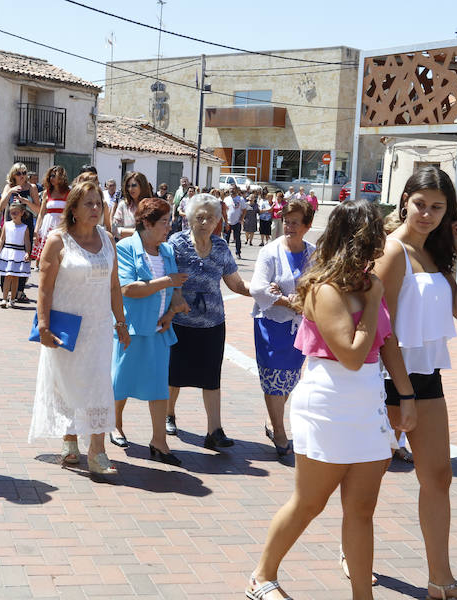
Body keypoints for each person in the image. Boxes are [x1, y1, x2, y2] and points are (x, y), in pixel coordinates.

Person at [246, 200, 407, 600]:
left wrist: (407, 395)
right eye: (376, 236)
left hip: (368, 406)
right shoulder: (325, 289)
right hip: (327, 405)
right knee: (309, 503)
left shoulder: (368, 283)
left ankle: (361, 596)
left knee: (361, 510)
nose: (382, 245)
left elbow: (387, 345)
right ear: (358, 239)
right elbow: (352, 355)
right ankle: (262, 575)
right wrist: (372, 302)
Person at [371, 168, 457, 600]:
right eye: (421, 204)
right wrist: (402, 394)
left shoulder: (436, 253)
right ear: (404, 200)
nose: (428, 214)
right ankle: (353, 552)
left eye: (438, 207)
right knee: (370, 477)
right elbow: (382, 330)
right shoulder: (391, 250)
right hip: (386, 379)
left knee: (438, 476)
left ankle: (441, 578)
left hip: (426, 377)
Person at [30, 180, 129, 475]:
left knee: (98, 385)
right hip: (67, 328)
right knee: (67, 384)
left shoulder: (108, 239)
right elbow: (44, 289)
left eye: (99, 203)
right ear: (73, 208)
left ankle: (97, 452)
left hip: (98, 328)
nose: (96, 209)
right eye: (88, 203)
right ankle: (69, 438)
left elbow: (114, 287)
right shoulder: (57, 240)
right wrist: (44, 325)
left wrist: (121, 322)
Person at [165, 193, 250, 449]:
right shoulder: (176, 243)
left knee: (212, 378)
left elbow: (235, 283)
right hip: (180, 322)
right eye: (199, 217)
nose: (204, 222)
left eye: (210, 218)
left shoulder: (221, 247)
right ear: (189, 218)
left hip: (213, 324)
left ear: (217, 221)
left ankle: (215, 431)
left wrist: (262, 291)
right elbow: (166, 279)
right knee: (174, 376)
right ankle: (169, 414)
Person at [111, 198, 188, 466]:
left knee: (158, 388)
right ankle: (116, 425)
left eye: (169, 221)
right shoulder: (125, 247)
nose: (169, 227)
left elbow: (176, 290)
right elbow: (128, 288)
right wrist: (166, 281)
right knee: (120, 382)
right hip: (131, 328)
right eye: (165, 222)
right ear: (146, 222)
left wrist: (170, 313)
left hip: (159, 330)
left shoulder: (166, 251)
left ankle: (159, 441)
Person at [249, 200, 315, 457]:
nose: (289, 226)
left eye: (295, 222)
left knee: (289, 379)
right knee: (273, 379)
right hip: (271, 323)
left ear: (307, 226)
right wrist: (285, 299)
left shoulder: (314, 252)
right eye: (286, 221)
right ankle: (278, 429)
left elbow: (318, 283)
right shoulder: (270, 251)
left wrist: (301, 299)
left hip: (299, 326)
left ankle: (272, 420)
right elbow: (258, 287)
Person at [0, 163, 40, 302]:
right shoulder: (9, 187)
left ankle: (19, 290)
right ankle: (5, 291)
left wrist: (27, 202)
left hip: (26, 226)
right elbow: (1, 206)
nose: (22, 176)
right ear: (13, 175)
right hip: (11, 226)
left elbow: (38, 210)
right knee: (8, 256)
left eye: (24, 173)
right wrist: (10, 192)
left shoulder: (32, 187)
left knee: (24, 257)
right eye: (18, 173)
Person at [0, 200, 31, 308]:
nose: (13, 215)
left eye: (16, 212)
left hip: (19, 253)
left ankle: (13, 299)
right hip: (8, 252)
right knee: (7, 276)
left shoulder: (25, 227)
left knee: (15, 277)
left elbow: (27, 242)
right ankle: (4, 299)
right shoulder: (7, 225)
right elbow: (2, 239)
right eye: (12, 213)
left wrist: (27, 253)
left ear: (22, 213)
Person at [32, 165, 70, 265]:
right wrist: (36, 231)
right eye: (50, 176)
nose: (51, 178)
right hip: (47, 227)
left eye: (54, 175)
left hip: (62, 227)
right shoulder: (46, 193)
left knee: (62, 258)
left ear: (61, 177)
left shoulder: (69, 192)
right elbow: (41, 213)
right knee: (46, 258)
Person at [112, 171, 152, 239]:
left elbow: (152, 231)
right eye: (128, 186)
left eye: (134, 185)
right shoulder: (123, 205)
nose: (130, 189)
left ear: (142, 186)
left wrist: (125, 232)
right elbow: (114, 229)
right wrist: (136, 232)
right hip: (126, 246)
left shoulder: (151, 206)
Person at [225, 187, 246, 259]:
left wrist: (241, 219)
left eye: (233, 189)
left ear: (236, 190)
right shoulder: (226, 199)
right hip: (228, 222)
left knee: (237, 238)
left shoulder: (240, 199)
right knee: (226, 238)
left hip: (237, 222)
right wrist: (225, 220)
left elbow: (244, 209)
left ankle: (238, 253)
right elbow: (224, 210)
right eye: (230, 189)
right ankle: (225, 253)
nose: (231, 190)